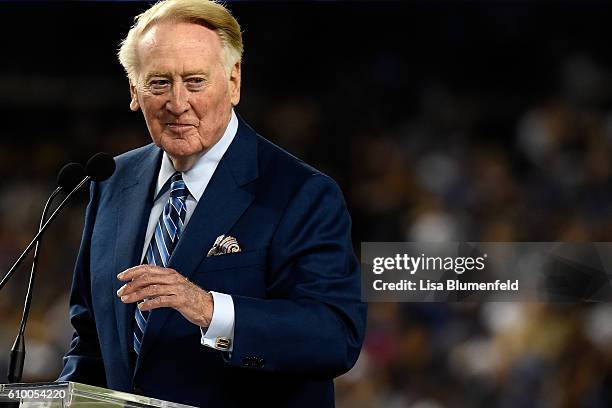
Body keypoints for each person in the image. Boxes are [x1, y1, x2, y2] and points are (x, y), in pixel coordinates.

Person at [57, 0, 366, 407]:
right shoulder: (111, 181)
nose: (178, 102)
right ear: (134, 91)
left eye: (195, 81)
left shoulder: (301, 192)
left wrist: (207, 308)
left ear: (233, 81)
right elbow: (92, 340)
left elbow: (334, 336)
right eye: (159, 82)